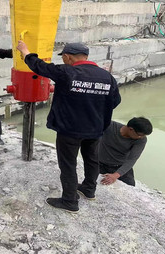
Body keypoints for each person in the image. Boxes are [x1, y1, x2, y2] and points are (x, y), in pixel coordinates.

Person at [17, 41, 121, 213]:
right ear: (86, 57)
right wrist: (92, 109)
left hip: (70, 129)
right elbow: (115, 101)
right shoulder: (107, 77)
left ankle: (70, 201)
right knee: (91, 159)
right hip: (94, 129)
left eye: (64, 57)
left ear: (67, 57)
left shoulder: (67, 72)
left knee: (68, 164)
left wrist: (25, 50)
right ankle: (89, 188)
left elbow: (40, 67)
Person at [99, 117, 153, 187]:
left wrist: (115, 175)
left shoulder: (141, 140)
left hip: (120, 165)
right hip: (100, 163)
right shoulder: (110, 126)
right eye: (140, 135)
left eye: (144, 136)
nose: (141, 137)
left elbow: (132, 159)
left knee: (131, 187)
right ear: (131, 129)